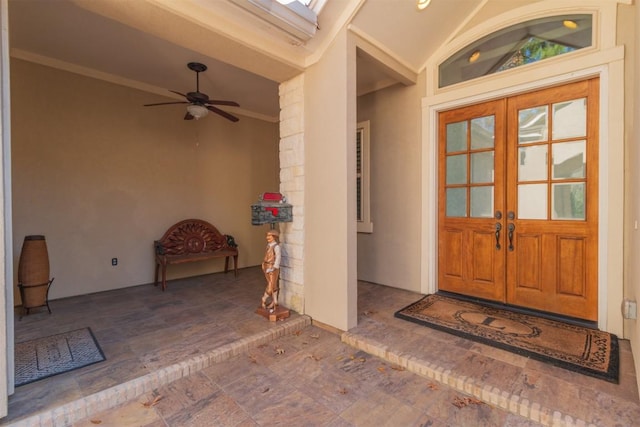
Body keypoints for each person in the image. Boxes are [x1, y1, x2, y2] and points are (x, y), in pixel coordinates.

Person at [261, 229, 281, 312]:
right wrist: (263, 263)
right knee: (273, 284)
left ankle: (264, 299)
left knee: (270, 284)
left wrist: (274, 267)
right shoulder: (268, 245)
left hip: (272, 267)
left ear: (274, 237)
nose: (267, 237)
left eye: (269, 236)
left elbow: (278, 257)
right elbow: (267, 255)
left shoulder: (276, 247)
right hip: (266, 266)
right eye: (267, 235)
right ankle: (275, 301)